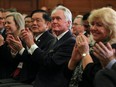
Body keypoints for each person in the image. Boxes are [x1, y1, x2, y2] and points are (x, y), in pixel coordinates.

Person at [19, 5, 75, 87]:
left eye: (58, 19)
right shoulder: (56, 39)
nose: (54, 21)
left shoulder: (70, 41)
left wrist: (31, 44)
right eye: (52, 19)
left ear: (68, 23)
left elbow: (49, 63)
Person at [68, 7, 116, 87]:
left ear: (111, 28)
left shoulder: (112, 49)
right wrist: (74, 59)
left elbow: (95, 78)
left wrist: (85, 54)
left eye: (99, 25)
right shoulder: (91, 44)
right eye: (92, 24)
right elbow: (68, 73)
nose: (93, 28)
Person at [0, 12, 25, 79]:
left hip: (18, 78)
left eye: (8, 23)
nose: (5, 25)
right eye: (5, 23)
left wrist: (1, 46)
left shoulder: (25, 40)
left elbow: (12, 64)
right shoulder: (5, 39)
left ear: (17, 24)